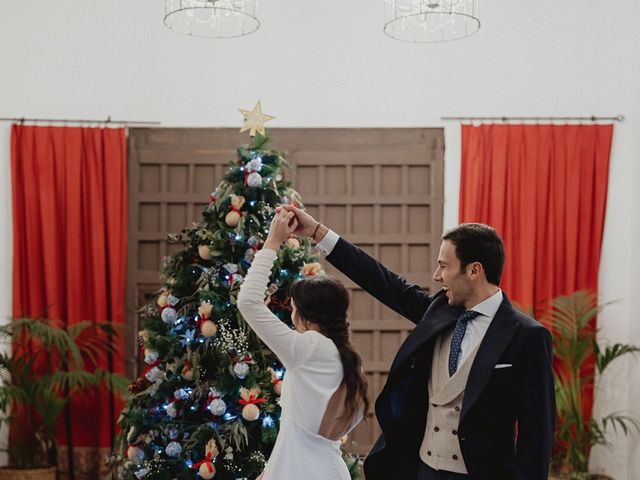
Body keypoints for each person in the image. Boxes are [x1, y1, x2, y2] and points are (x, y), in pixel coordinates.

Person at [278, 204, 555, 480]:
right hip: (422, 470)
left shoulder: (527, 336)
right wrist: (317, 232)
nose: (437, 276)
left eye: (444, 266)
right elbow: (383, 281)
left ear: (474, 270)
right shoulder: (438, 310)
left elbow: (536, 434)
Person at [237, 210, 368, 480]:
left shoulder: (307, 348)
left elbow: (248, 302)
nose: (291, 316)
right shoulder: (348, 360)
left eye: (293, 308)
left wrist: (273, 242)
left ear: (306, 315)